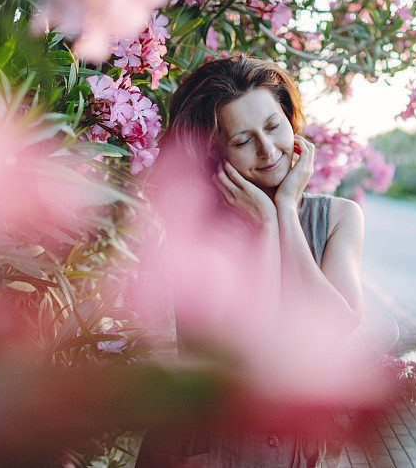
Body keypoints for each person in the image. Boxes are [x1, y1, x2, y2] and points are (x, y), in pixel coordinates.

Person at [135, 54, 365, 467]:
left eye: (273, 127)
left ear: (291, 122)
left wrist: (286, 213)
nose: (267, 150)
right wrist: (265, 225)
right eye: (242, 140)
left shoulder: (339, 218)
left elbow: (332, 325)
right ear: (213, 153)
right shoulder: (195, 229)